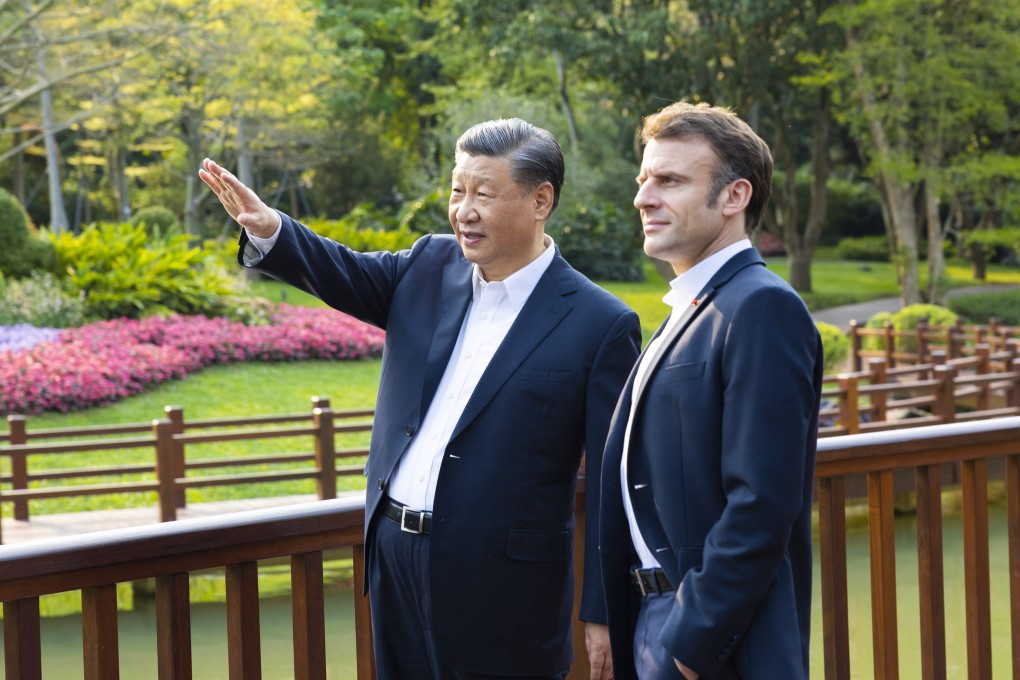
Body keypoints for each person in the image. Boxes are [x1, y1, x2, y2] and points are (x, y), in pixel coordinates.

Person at [199, 118, 641, 680]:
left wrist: (603, 612)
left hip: (505, 592)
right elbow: (343, 271)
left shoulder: (600, 323)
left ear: (540, 200)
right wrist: (271, 230)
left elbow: (610, 484)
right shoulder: (428, 266)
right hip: (394, 559)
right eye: (458, 190)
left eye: (484, 193)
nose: (464, 209)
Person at [590, 101, 823, 680]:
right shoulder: (690, 308)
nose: (644, 197)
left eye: (669, 180)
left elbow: (762, 502)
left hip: (711, 640)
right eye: (644, 180)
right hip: (653, 617)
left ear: (733, 197)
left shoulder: (762, 307)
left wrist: (693, 644)